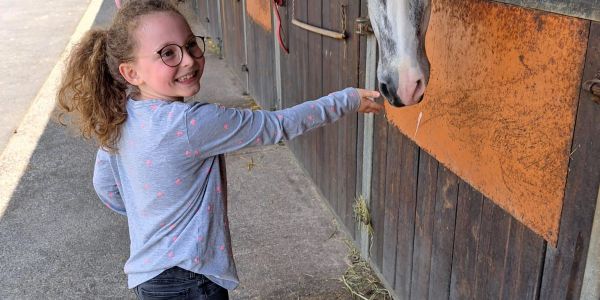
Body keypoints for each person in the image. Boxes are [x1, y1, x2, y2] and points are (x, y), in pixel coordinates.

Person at [56, 0, 383, 299]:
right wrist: (347, 100)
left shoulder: (120, 114)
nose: (188, 60)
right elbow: (276, 126)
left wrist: (152, 215)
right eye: (168, 53)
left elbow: (106, 187)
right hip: (191, 278)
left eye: (189, 45)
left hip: (149, 277)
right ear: (131, 72)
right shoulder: (190, 124)